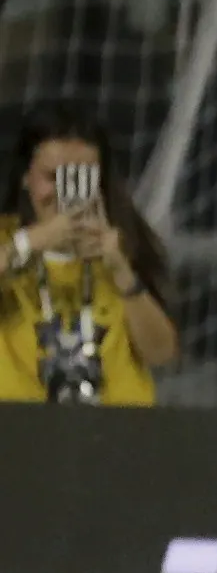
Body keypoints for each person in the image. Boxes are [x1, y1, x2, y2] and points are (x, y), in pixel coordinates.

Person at [0, 108, 180, 405]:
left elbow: (161, 354)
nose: (63, 192)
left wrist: (121, 272)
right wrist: (31, 243)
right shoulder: (8, 241)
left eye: (80, 178)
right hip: (20, 435)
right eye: (52, 177)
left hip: (116, 435)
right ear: (24, 177)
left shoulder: (124, 245)